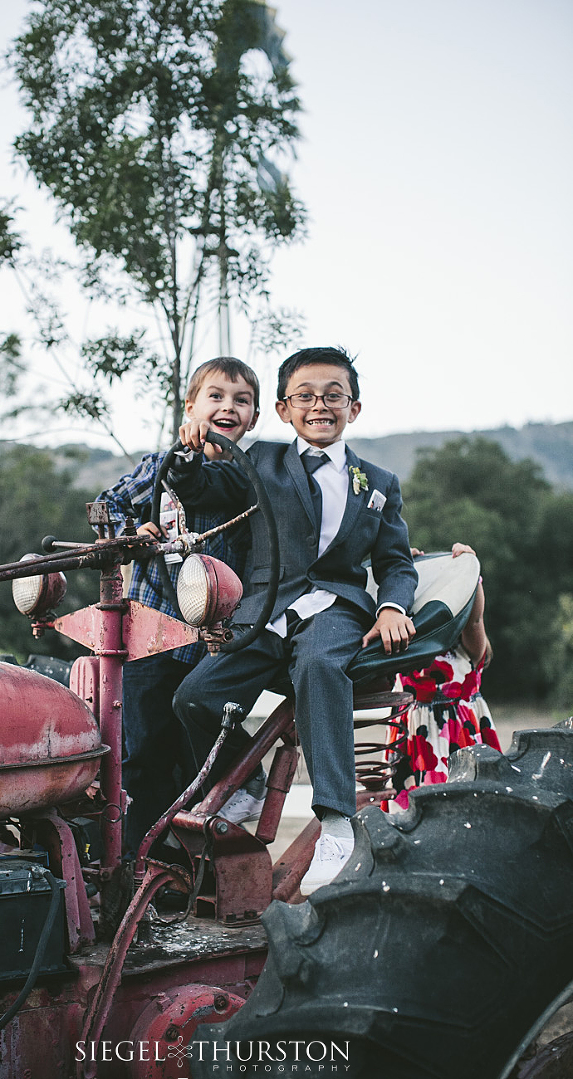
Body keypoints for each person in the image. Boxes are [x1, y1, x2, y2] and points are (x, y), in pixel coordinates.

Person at [172, 345, 418, 894]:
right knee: (194, 696)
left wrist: (391, 605)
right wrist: (188, 457)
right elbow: (204, 488)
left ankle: (336, 820)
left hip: (336, 608)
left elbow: (396, 563)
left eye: (334, 395)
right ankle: (247, 789)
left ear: (353, 408)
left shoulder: (378, 482)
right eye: (304, 396)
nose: (320, 405)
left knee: (321, 667)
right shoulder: (261, 460)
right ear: (285, 410)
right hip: (265, 610)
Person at [97, 357, 259, 852]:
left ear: (254, 417)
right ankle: (140, 857)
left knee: (199, 739)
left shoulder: (254, 480)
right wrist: (131, 532)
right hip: (152, 628)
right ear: (190, 407)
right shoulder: (161, 466)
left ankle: (206, 848)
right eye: (215, 396)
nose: (227, 407)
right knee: (142, 745)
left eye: (241, 400)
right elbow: (110, 506)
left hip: (212, 636)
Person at [386, 542, 500, 811]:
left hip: (458, 738)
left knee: (467, 810)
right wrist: (397, 574)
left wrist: (471, 573)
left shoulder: (468, 652)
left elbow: (474, 621)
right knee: (412, 815)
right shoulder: (406, 648)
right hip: (413, 740)